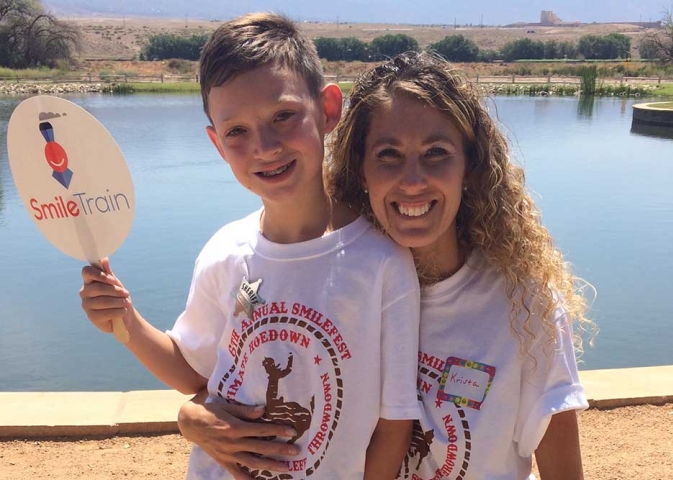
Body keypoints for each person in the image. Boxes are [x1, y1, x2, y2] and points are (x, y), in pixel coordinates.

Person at [178, 51, 594, 480]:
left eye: (436, 153)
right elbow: (238, 380)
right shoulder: (335, 286)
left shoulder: (524, 308)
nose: (413, 181)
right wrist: (192, 416)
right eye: (389, 155)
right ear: (361, 169)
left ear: (469, 166)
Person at [78, 14, 421, 480]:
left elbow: (393, 423)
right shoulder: (225, 252)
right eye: (237, 131)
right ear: (217, 144)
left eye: (283, 116)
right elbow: (192, 373)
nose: (264, 147)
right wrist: (125, 320)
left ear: (328, 110)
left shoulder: (383, 263)